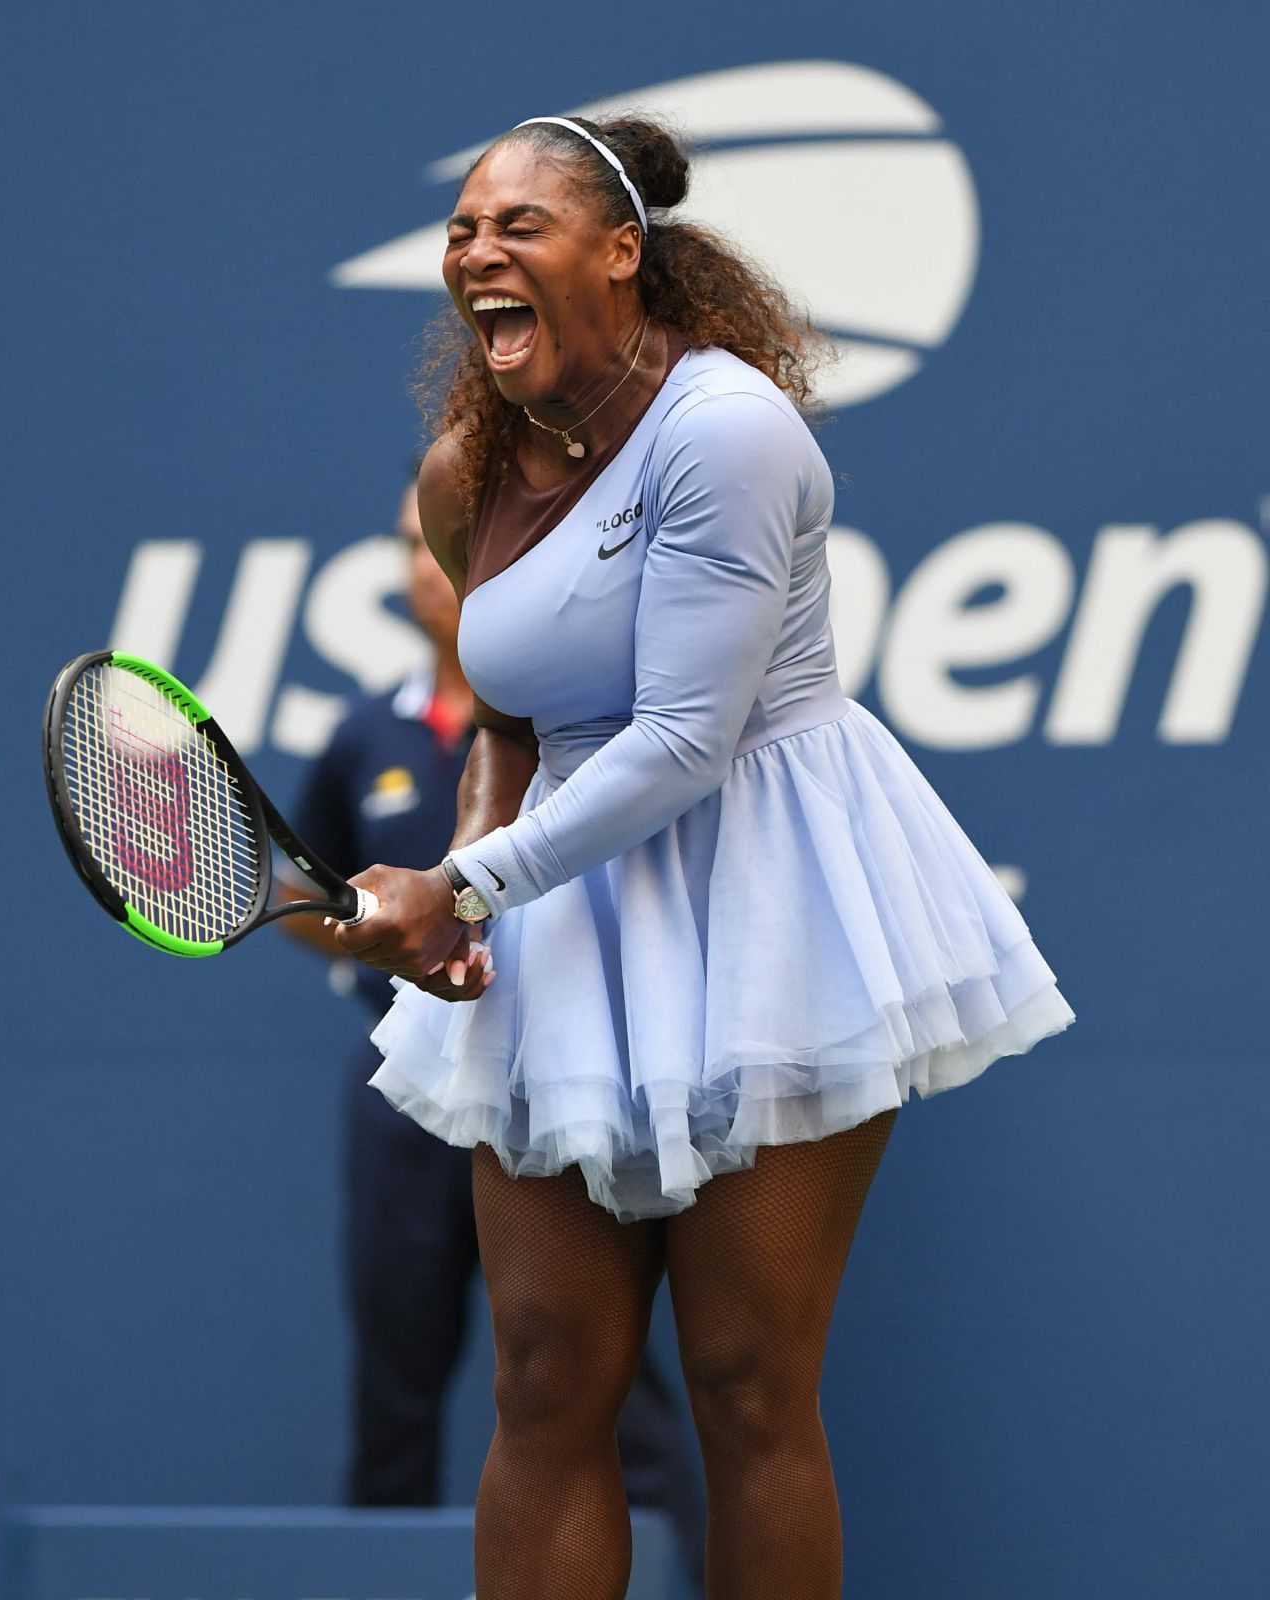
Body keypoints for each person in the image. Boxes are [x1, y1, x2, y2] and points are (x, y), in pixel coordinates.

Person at [333, 114, 1076, 1600]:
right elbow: (510, 720)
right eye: (465, 227)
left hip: (769, 902)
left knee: (745, 1384)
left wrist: (470, 880)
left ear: (622, 250)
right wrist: (475, 874)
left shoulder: (731, 431)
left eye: (519, 224)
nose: (478, 249)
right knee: (545, 1383)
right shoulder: (465, 469)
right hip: (562, 913)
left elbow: (683, 740)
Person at [280, 467, 705, 1583]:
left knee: (607, 1377)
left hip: (552, 1082)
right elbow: (311, 900)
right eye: (417, 552)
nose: (437, 571)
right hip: (404, 1093)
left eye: (453, 548)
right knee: (394, 1375)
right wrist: (374, 930)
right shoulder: (359, 731)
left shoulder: (575, 722)